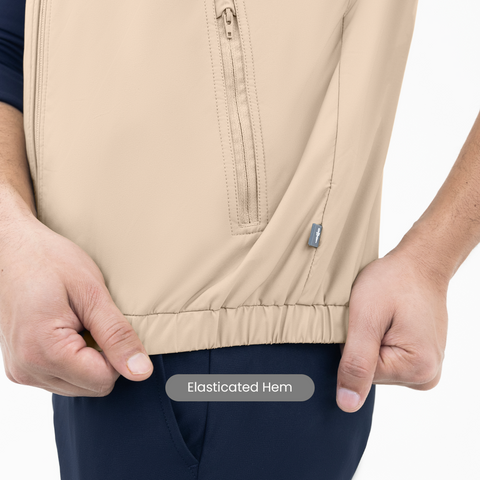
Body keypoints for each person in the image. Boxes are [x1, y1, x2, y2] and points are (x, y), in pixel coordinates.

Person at [0, 0, 478, 479]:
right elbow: (10, 38)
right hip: (85, 331)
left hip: (257, 330)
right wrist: (13, 235)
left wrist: (431, 260)